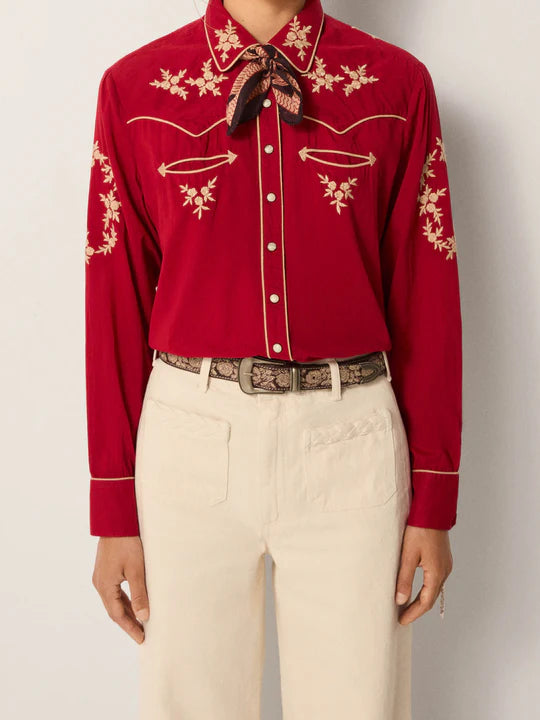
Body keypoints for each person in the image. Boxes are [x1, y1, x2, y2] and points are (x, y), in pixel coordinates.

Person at [85, 0, 462, 717]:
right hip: (190, 440)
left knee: (359, 704)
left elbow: (427, 295)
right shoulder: (135, 89)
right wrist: (113, 509)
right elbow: (114, 299)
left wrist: (435, 498)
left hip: (350, 438)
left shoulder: (396, 85)